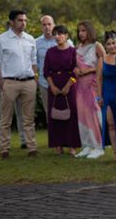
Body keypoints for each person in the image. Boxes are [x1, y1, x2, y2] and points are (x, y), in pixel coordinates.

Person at [0, 10, 39, 158]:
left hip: (28, 82)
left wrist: (35, 79)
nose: (24, 23)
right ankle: (4, 149)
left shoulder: (30, 39)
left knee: (28, 118)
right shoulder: (1, 39)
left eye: (25, 20)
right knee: (5, 118)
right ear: (12, 22)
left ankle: (32, 147)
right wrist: (1, 83)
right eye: (20, 20)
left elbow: (34, 62)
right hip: (9, 83)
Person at [43, 25, 81, 155]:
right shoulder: (50, 52)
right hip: (53, 86)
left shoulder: (73, 51)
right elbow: (46, 71)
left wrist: (68, 86)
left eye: (60, 34)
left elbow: (76, 72)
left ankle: (72, 145)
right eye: (55, 34)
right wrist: (52, 86)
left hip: (70, 86)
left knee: (72, 115)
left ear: (67, 36)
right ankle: (57, 145)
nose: (57, 36)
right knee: (55, 115)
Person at [74, 20, 105, 159]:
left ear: (89, 31)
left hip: (92, 84)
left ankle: (99, 146)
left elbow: (106, 62)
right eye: (79, 31)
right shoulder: (77, 47)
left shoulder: (97, 46)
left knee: (93, 114)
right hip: (79, 85)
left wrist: (88, 70)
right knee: (82, 115)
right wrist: (76, 70)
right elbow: (75, 66)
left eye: (84, 30)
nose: (81, 33)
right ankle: (87, 145)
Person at [36, 15, 73, 120]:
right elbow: (35, 63)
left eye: (49, 24)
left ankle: (67, 136)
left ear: (54, 25)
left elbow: (74, 64)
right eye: (44, 24)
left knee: (68, 112)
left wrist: (69, 83)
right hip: (45, 84)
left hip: (66, 84)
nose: (47, 27)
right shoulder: (36, 43)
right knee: (50, 114)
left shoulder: (67, 43)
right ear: (41, 27)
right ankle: (53, 136)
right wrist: (37, 79)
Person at [100, 30, 116, 161]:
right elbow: (99, 79)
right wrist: (99, 96)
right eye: (109, 44)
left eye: (114, 43)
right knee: (111, 124)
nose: (112, 46)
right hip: (108, 95)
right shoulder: (102, 59)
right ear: (105, 45)